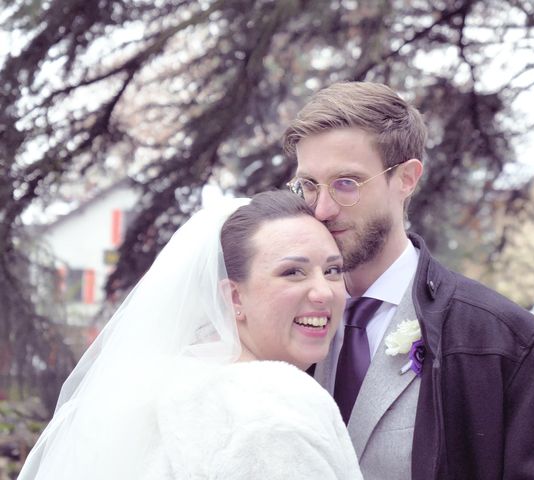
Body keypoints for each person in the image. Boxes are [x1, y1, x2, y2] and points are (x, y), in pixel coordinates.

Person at [283, 81, 534, 479]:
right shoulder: (279, 321)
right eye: (308, 185)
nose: (321, 209)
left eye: (346, 184)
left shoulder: (508, 342)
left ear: (406, 178)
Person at [18, 191, 363, 480]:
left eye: (332, 270)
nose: (324, 291)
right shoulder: (276, 402)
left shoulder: (166, 383)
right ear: (234, 297)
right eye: (293, 272)